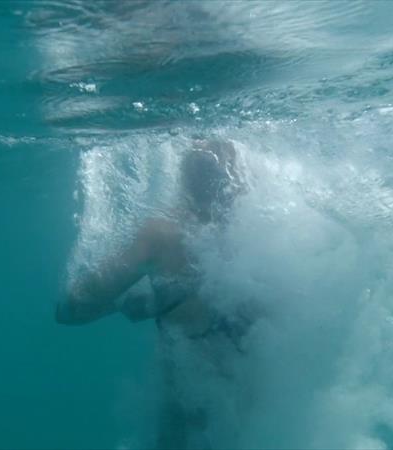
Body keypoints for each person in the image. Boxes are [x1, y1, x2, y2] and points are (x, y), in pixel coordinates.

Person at [55, 138, 254, 449]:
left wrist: (125, 304)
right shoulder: (267, 230)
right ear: (240, 177)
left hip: (188, 395)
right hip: (258, 392)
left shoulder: (162, 234)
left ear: (183, 177)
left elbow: (71, 310)